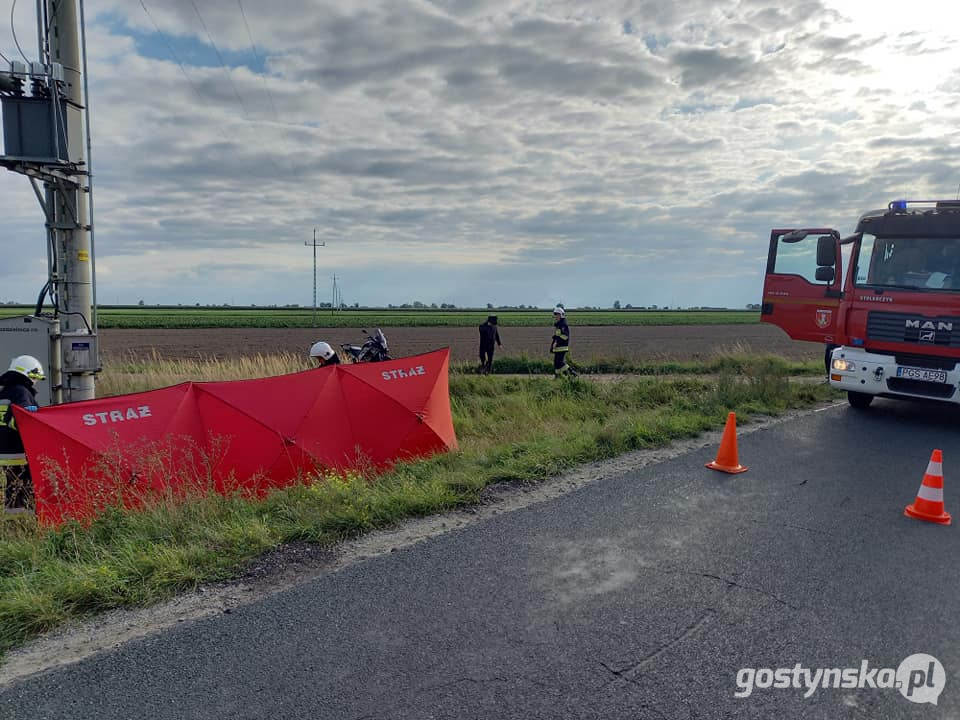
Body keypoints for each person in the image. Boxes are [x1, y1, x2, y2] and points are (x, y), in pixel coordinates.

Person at [1, 355, 44, 511]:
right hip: (17, 452)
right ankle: (20, 523)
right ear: (27, 375)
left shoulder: (4, 393)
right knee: (21, 488)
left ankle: (12, 521)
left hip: (3, 452)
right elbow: (17, 422)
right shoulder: (22, 392)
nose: (35, 381)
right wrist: (31, 416)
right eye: (34, 377)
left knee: (11, 487)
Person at [550, 307, 576, 378]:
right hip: (558, 347)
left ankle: (572, 374)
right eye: (555, 315)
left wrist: (556, 342)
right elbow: (557, 335)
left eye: (557, 314)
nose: (555, 316)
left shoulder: (563, 325)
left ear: (561, 315)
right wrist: (554, 342)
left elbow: (565, 336)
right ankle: (558, 376)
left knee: (560, 362)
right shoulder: (559, 324)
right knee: (556, 363)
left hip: (562, 347)